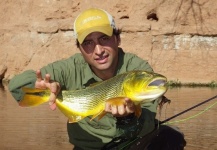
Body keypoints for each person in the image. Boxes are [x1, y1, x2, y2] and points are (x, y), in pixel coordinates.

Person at [8, 8, 186, 150]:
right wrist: (41, 87)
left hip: (133, 143)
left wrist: (128, 118)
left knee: (171, 136)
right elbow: (17, 86)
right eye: (88, 43)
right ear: (79, 48)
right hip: (88, 148)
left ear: (117, 39)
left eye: (104, 38)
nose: (98, 50)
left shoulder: (138, 70)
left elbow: (147, 122)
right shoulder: (69, 68)